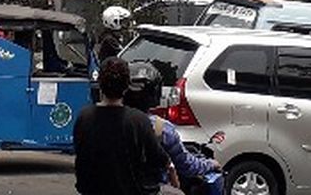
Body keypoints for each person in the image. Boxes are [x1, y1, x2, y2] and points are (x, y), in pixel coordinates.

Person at [74, 56, 171, 195]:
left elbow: (81, 159)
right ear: (126, 86)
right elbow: (160, 160)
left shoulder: (84, 117)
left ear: (100, 84)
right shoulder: (139, 121)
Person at [124, 61, 221, 195]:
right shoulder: (160, 129)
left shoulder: (105, 122)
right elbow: (187, 165)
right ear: (155, 93)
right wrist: (210, 164)